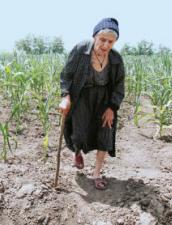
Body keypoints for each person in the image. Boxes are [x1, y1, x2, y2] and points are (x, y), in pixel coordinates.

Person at [59, 18, 125, 190]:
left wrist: (112, 107)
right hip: (82, 96)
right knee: (79, 133)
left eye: (110, 41)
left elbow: (119, 85)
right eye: (102, 39)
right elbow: (66, 75)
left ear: (114, 42)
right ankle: (77, 152)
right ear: (95, 36)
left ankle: (96, 173)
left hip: (104, 100)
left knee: (105, 134)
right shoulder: (81, 50)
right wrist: (65, 96)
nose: (105, 45)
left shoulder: (116, 59)